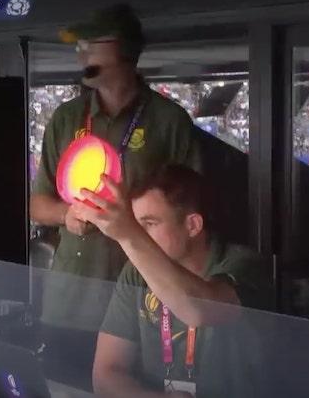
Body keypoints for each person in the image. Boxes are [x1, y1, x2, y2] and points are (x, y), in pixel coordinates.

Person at [29, 3, 201, 389]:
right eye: (80, 46)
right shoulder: (66, 118)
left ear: (125, 50)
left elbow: (192, 217)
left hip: (139, 308)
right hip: (68, 304)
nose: (81, 55)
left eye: (91, 45)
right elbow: (36, 205)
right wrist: (66, 214)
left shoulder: (169, 122)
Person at [74, 165, 270, 398]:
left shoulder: (243, 263)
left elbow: (200, 311)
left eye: (149, 223)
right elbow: (106, 375)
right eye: (135, 224)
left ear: (193, 225)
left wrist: (128, 234)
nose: (140, 234)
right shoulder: (136, 272)